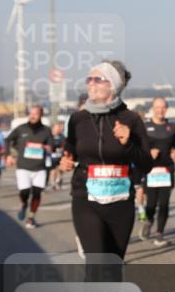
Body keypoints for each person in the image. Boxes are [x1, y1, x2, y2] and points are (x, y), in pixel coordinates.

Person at [59, 61, 152, 258]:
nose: (90, 84)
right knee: (96, 262)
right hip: (85, 197)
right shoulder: (78, 119)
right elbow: (70, 149)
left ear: (113, 85)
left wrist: (128, 143)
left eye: (97, 79)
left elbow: (146, 164)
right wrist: (65, 160)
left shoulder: (131, 120)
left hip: (120, 200)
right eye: (89, 79)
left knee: (112, 267)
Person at [6, 105, 54, 229]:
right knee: (25, 192)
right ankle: (23, 204)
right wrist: (8, 155)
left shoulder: (46, 130)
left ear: (41, 115)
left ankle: (31, 217)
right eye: (31, 113)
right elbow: (7, 140)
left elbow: (51, 146)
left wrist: (46, 147)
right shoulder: (21, 129)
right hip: (23, 167)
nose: (33, 116)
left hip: (40, 168)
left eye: (36, 114)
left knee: (37, 193)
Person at [140, 97, 175, 246]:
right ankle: (149, 221)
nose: (160, 110)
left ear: (166, 109)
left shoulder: (172, 127)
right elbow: (138, 148)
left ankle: (160, 234)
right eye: (157, 107)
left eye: (163, 107)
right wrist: (148, 152)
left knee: (164, 204)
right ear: (153, 108)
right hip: (150, 171)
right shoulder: (145, 127)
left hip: (166, 171)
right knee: (151, 203)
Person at [48, 121, 66, 190]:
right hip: (51, 156)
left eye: (59, 128)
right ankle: (52, 183)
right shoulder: (50, 136)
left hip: (59, 155)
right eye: (57, 128)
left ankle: (58, 180)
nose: (58, 129)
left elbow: (64, 144)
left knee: (60, 169)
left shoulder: (62, 136)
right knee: (52, 170)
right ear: (53, 128)